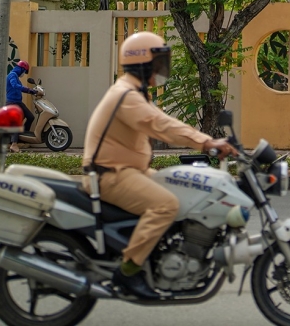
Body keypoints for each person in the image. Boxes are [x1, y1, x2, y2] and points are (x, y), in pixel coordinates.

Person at [82, 31, 236, 300]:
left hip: (126, 170)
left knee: (183, 190)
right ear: (143, 64)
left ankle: (160, 254)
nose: (162, 70)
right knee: (166, 205)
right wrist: (206, 142)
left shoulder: (132, 92)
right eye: (158, 64)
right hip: (110, 175)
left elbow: (158, 121)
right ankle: (128, 272)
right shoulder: (126, 96)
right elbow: (162, 126)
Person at [5, 60, 39, 150]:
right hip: (12, 102)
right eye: (24, 71)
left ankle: (23, 138)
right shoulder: (12, 75)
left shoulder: (16, 76)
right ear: (21, 69)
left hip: (18, 102)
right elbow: (15, 85)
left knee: (30, 117)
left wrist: (32, 91)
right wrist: (28, 90)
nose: (24, 73)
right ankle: (14, 144)